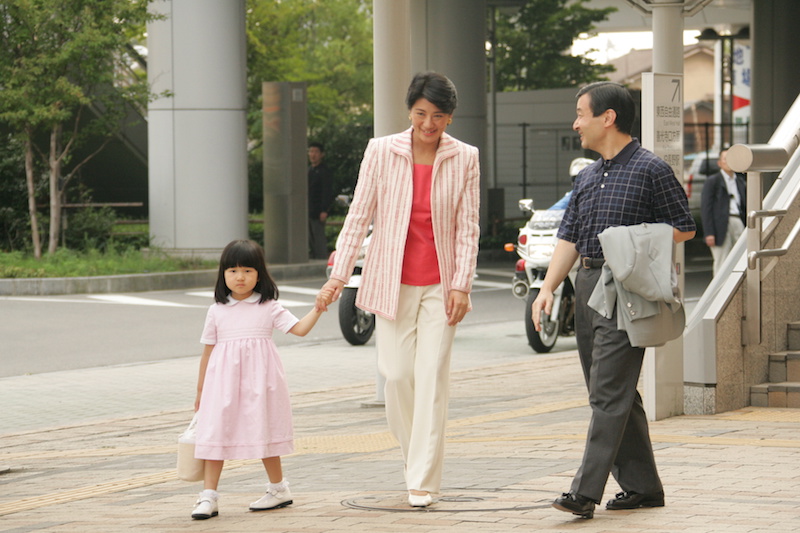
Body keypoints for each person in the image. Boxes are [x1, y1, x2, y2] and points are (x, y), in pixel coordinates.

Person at [531, 82, 696, 519]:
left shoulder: (651, 169)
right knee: (613, 391)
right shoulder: (586, 176)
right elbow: (568, 237)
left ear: (608, 117)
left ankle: (584, 492)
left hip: (626, 289)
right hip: (586, 284)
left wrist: (630, 242)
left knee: (608, 393)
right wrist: (548, 287)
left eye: (581, 113)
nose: (575, 123)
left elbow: (684, 227)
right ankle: (643, 486)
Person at [316, 72, 480, 508]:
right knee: (397, 376)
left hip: (441, 288)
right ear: (410, 110)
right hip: (391, 282)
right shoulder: (381, 151)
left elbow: (468, 228)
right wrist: (339, 272)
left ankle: (423, 478)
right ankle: (414, 460)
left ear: (449, 117)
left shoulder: (465, 157)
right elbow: (359, 215)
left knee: (431, 379)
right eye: (422, 113)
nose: (429, 123)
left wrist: (462, 284)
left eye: (439, 116)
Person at [191, 239, 330, 520]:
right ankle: (208, 496)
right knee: (215, 433)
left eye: (247, 270)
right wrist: (200, 391)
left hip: (261, 382)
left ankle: (278, 489)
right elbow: (207, 353)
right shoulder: (216, 310)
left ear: (260, 274)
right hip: (222, 385)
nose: (239, 277)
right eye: (232, 270)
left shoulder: (268, 306)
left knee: (264, 430)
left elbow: (299, 329)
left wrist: (318, 308)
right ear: (223, 275)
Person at [700, 148, 746, 275]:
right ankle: (720, 293)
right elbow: (706, 208)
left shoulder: (740, 182)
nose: (728, 162)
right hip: (720, 225)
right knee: (722, 261)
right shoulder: (712, 181)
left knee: (741, 258)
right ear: (719, 163)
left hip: (738, 222)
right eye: (725, 159)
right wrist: (709, 233)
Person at [308, 142, 335, 259]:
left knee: (318, 236)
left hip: (318, 210)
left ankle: (322, 259)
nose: (312, 154)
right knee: (309, 237)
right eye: (311, 151)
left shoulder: (325, 172)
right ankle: (314, 257)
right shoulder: (308, 170)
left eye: (316, 152)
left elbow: (327, 192)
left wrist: (325, 209)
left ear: (322, 154)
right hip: (308, 209)